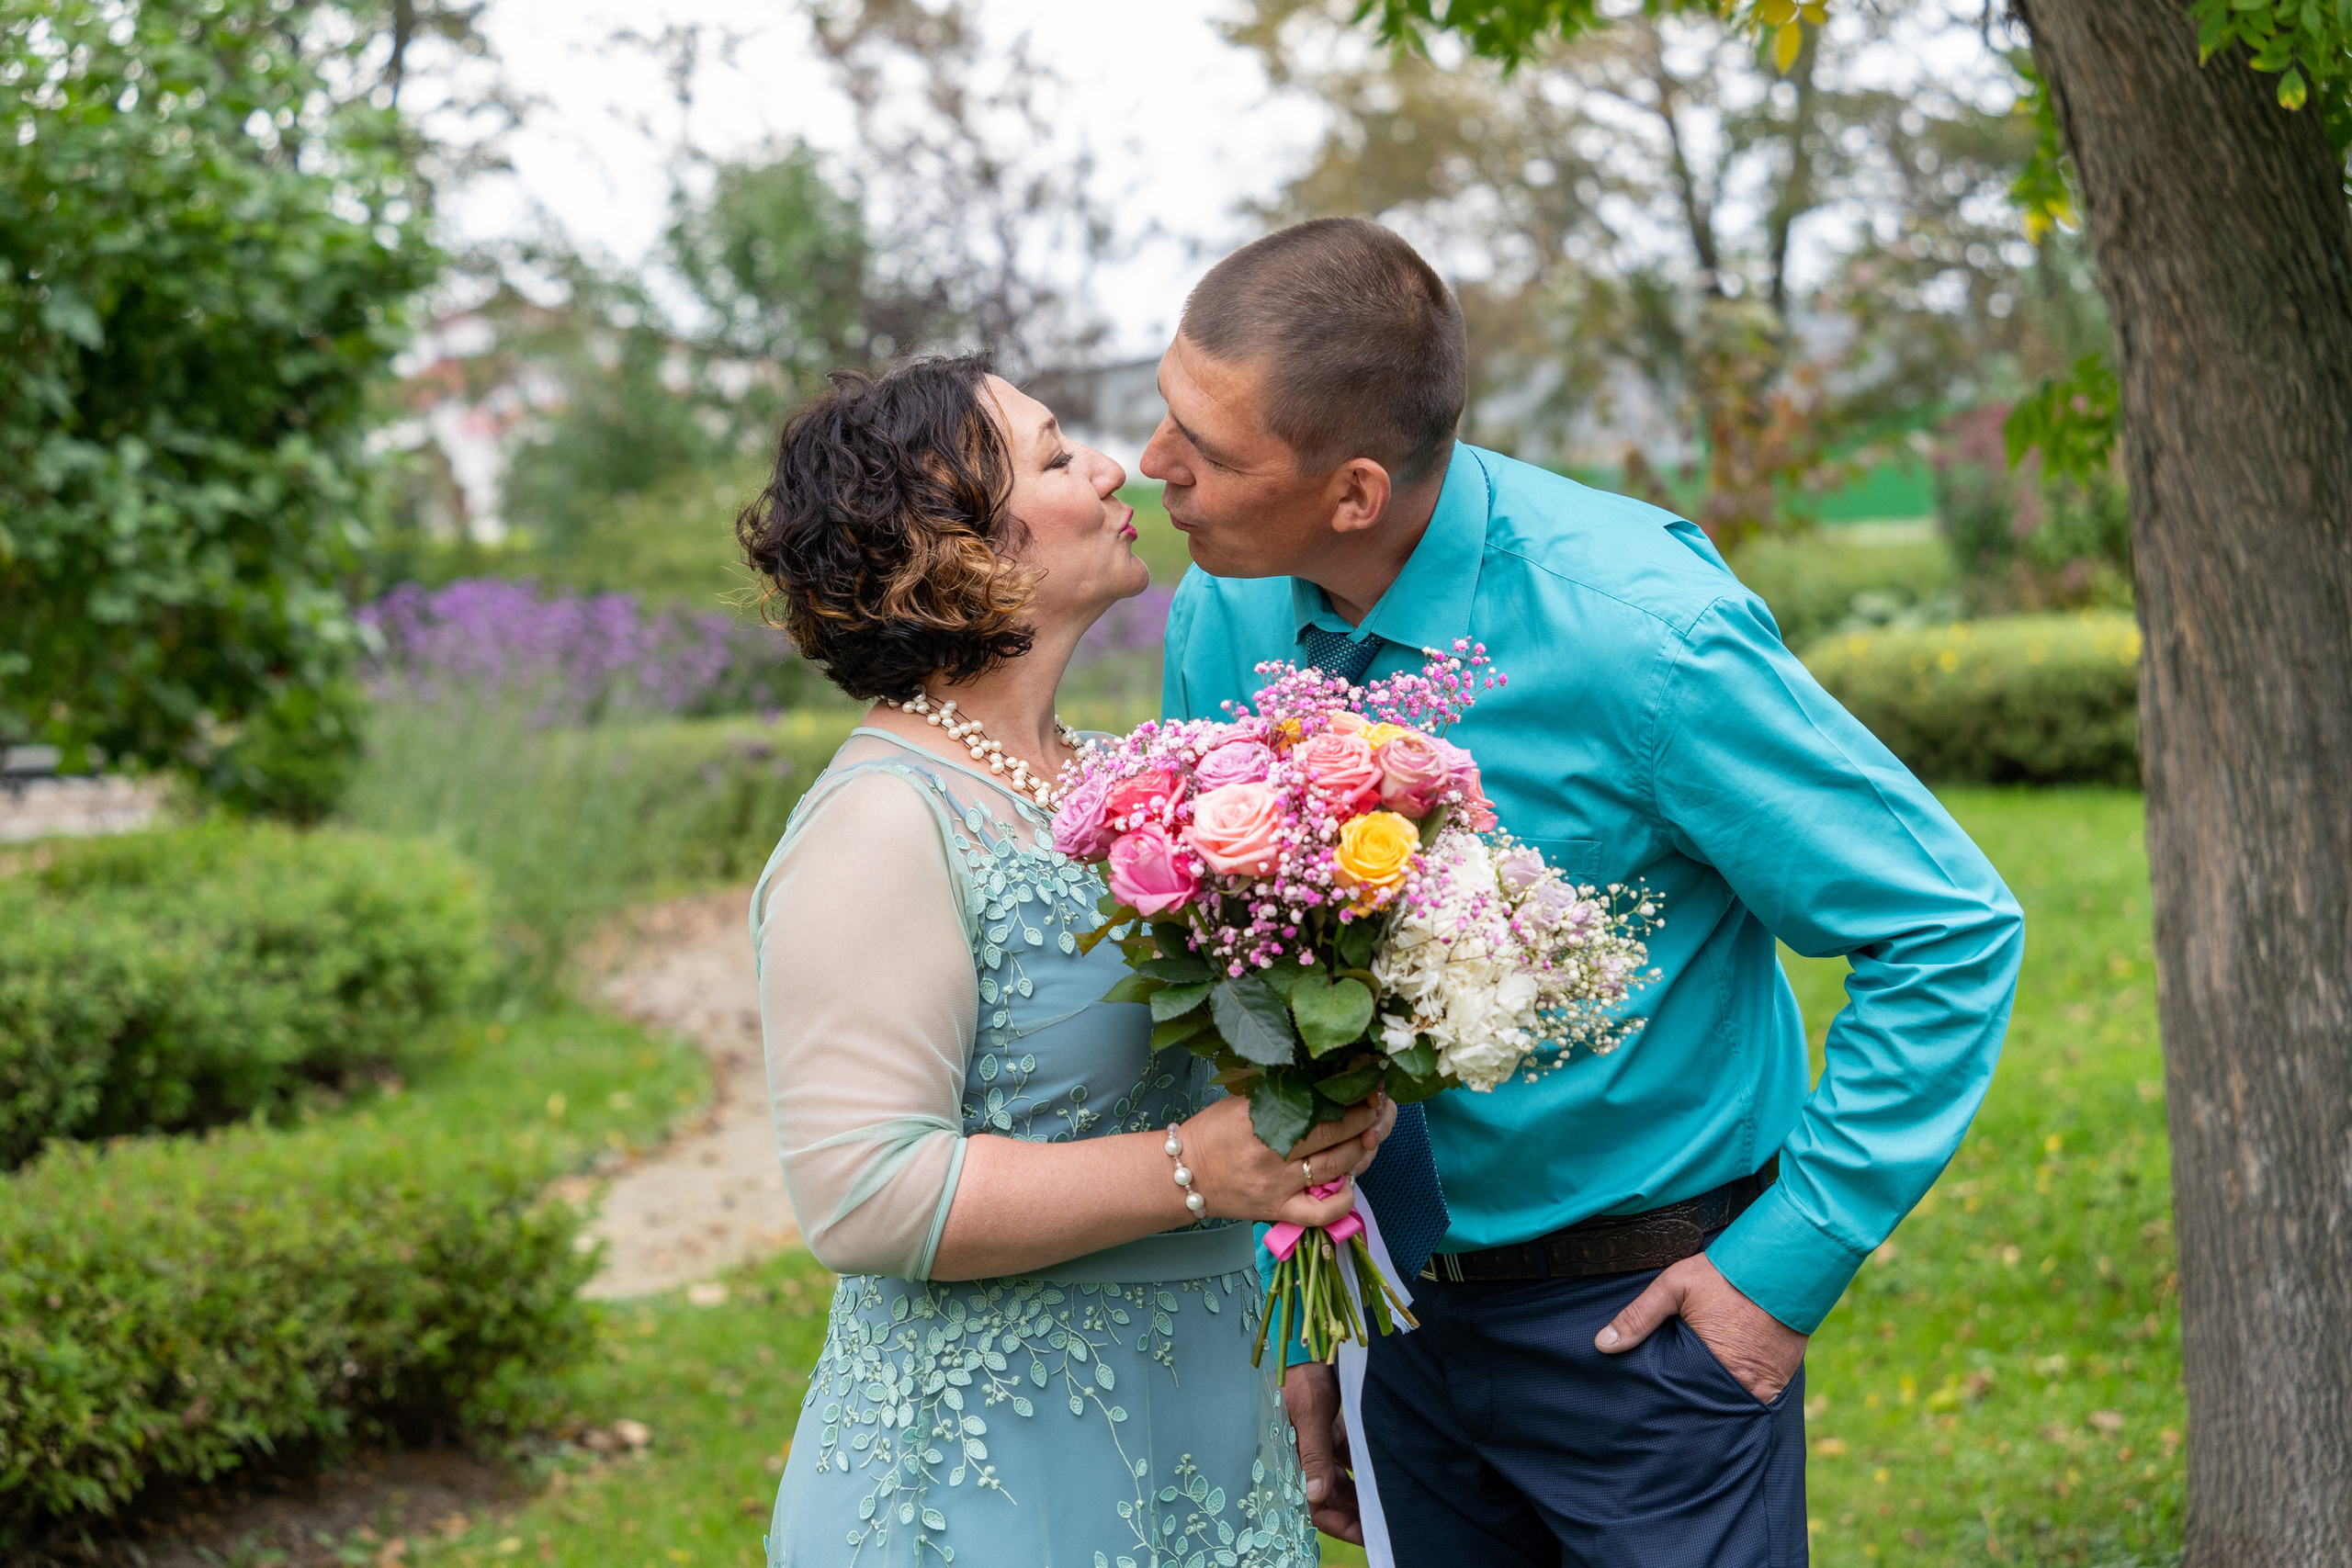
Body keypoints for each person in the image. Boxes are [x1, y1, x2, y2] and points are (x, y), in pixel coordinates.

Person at [1148, 219, 2027, 1567]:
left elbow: (1944, 929)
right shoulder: (1226, 615)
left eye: (1206, 452)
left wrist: (1779, 1270)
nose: (1157, 470)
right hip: (1395, 1325)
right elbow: (1248, 981)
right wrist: (1308, 1312)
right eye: (1168, 417)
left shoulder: (1643, 635)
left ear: (1355, 494)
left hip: (1650, 1335)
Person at [737, 355, 1396, 1567]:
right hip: (989, 1479)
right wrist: (1200, 1171)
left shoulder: (1120, 786)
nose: (1112, 468)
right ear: (953, 547)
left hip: (1206, 1435)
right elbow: (865, 1195)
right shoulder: (882, 821)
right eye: (1052, 456)